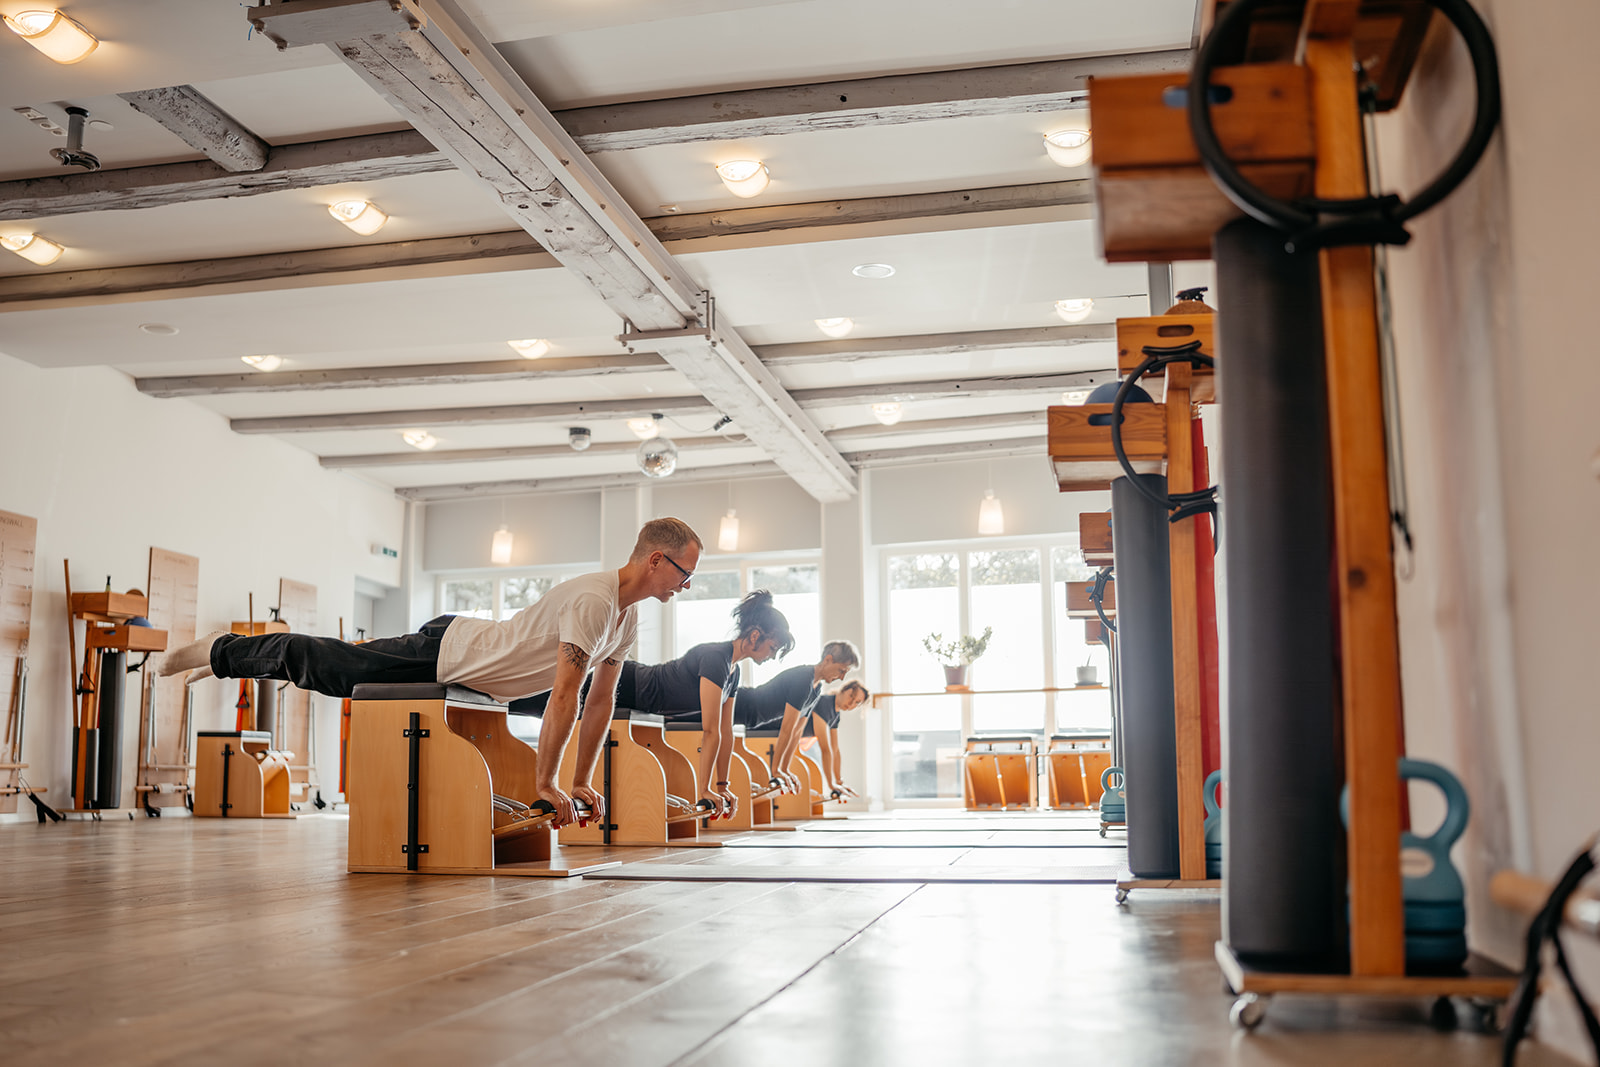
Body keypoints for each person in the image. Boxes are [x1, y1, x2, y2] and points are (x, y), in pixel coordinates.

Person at [157, 517, 704, 827]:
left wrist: (580, 780)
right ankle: (222, 651)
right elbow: (564, 696)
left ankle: (223, 654)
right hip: (450, 652)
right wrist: (545, 782)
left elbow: (598, 702)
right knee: (331, 668)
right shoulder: (595, 600)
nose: (685, 586)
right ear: (655, 559)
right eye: (684, 574)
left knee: (335, 670)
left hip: (471, 678)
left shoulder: (626, 618)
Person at [508, 589, 793, 820]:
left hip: (638, 694)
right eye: (773, 647)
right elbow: (709, 731)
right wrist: (705, 789)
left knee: (539, 702)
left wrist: (723, 787)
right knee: (538, 700)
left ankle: (500, 698)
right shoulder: (716, 658)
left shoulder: (734, 671)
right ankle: (494, 694)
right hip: (629, 684)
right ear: (755, 636)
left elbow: (725, 733)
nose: (772, 655)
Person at [734, 640, 859, 794]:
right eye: (841, 670)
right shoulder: (804, 680)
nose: (841, 678)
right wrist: (776, 770)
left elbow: (797, 732)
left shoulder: (816, 687)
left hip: (752, 719)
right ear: (828, 660)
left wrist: (785, 769)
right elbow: (787, 729)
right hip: (741, 705)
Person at [804, 681, 869, 801]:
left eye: (857, 702)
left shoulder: (835, 714)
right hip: (774, 729)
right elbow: (825, 749)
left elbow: (835, 750)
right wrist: (831, 784)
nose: (851, 704)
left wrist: (839, 781)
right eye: (851, 696)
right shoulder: (825, 703)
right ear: (843, 690)